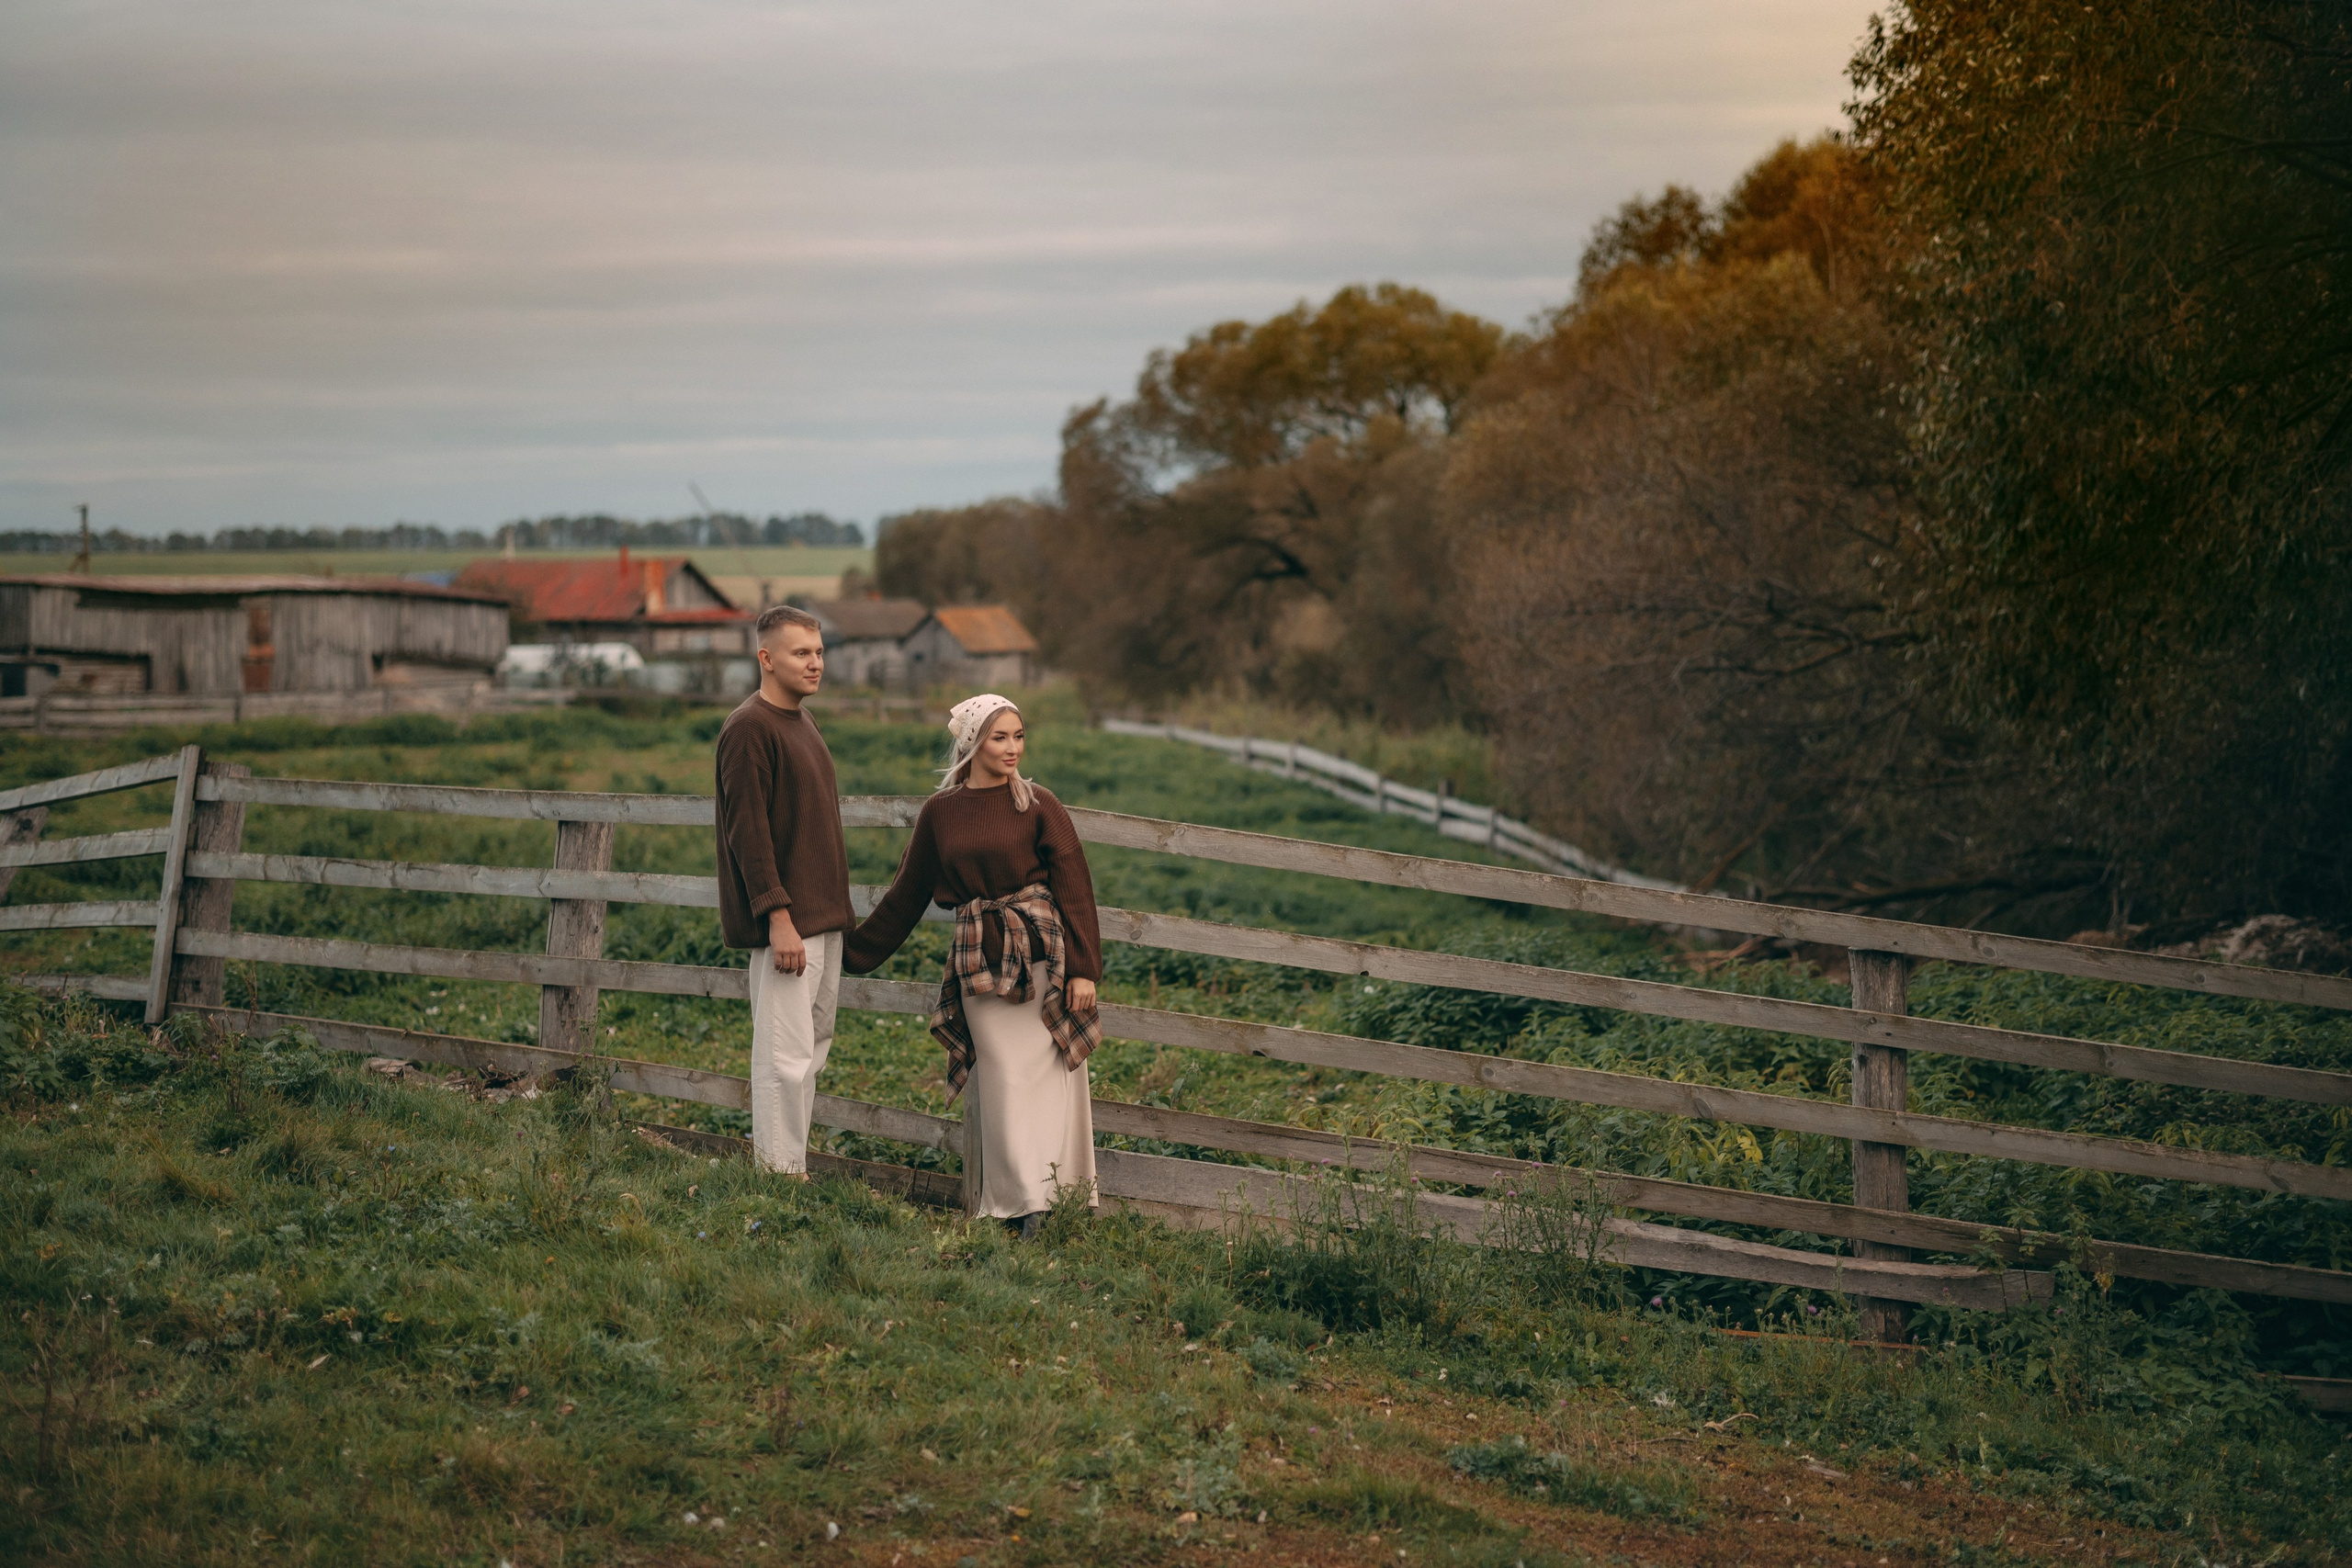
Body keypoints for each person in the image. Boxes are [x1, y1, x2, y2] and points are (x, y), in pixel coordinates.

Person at [845, 694, 1102, 1237]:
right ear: (971, 743)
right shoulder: (941, 813)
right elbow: (906, 894)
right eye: (999, 737)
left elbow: (1076, 889)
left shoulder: (1039, 804)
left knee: (1050, 1083)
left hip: (1042, 961)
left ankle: (1050, 1200)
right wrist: (851, 952)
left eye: (1018, 736)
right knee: (1005, 1084)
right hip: (981, 965)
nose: (1013, 748)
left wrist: (1084, 970)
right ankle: (1019, 1204)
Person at [715, 604, 853, 1177]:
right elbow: (747, 831)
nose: (815, 663)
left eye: (819, 652)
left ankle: (790, 1170)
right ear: (766, 658)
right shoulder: (749, 727)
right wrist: (777, 916)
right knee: (782, 1059)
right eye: (801, 653)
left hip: (821, 920)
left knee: (810, 1051)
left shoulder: (803, 721)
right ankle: (776, 1179)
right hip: (789, 925)